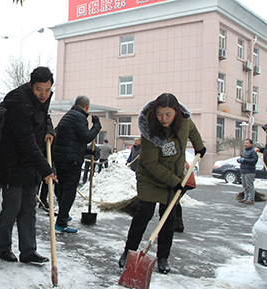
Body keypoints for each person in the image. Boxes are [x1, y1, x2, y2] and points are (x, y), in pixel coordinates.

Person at [118, 93, 205, 274]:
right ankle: (128, 251)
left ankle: (163, 256)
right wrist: (176, 182)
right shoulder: (149, 129)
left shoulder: (185, 122)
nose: (163, 119)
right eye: (159, 114)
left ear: (177, 112)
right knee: (145, 212)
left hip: (173, 176)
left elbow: (193, 131)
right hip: (150, 177)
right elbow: (150, 163)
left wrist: (199, 146)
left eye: (168, 114)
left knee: (168, 217)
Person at [0, 66, 56, 264]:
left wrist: (49, 130)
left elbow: (45, 117)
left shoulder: (40, 100)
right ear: (31, 85)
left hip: (30, 164)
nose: (44, 94)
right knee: (12, 208)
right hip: (13, 163)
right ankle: (3, 247)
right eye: (39, 89)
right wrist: (46, 170)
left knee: (29, 209)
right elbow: (26, 142)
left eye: (47, 90)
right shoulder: (18, 103)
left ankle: (28, 251)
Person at [53, 96, 101, 233]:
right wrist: (97, 126)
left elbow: (71, 142)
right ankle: (61, 223)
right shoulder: (79, 117)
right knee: (69, 191)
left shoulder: (68, 116)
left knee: (62, 188)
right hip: (71, 161)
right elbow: (87, 136)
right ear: (87, 107)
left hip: (61, 158)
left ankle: (64, 215)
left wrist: (87, 151)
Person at [237, 138, 257, 205]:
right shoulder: (244, 151)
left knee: (249, 185)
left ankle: (251, 199)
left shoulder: (253, 151)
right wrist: (239, 160)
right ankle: (246, 198)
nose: (245, 144)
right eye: (245, 143)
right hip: (243, 170)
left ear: (251, 144)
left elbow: (254, 160)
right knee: (245, 185)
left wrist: (244, 160)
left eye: (247, 143)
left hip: (250, 171)